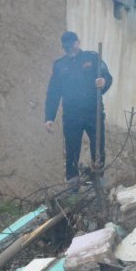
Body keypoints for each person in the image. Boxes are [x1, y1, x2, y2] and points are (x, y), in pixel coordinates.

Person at [44, 31, 113, 183]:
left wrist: (104, 82)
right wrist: (49, 117)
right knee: (72, 151)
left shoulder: (92, 58)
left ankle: (98, 183)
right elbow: (53, 93)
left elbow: (107, 77)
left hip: (93, 112)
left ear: (78, 42)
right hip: (71, 116)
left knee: (98, 148)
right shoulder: (59, 65)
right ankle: (73, 186)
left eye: (71, 45)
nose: (69, 49)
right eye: (66, 47)